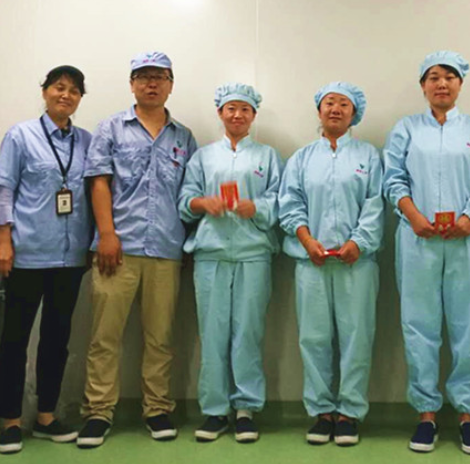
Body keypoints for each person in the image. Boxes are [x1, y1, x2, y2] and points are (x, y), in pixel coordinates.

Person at [383, 51, 470, 455]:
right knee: (419, 325)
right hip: (417, 240)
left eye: (450, 76)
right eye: (434, 77)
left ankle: (468, 414)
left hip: (467, 241)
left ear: (460, 84)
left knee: (469, 325)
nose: (441, 83)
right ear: (423, 85)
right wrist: (413, 215)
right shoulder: (407, 129)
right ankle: (426, 415)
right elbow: (393, 178)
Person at [77, 52, 197, 448]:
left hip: (166, 249)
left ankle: (157, 409)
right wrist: (107, 234)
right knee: (105, 336)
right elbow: (98, 182)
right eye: (143, 77)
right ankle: (98, 412)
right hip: (118, 248)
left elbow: (189, 193)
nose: (151, 83)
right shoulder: (111, 128)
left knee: (160, 337)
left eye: (159, 77)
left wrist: (187, 245)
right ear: (132, 84)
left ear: (170, 84)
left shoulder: (183, 137)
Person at [278, 82, 383, 447]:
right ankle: (322, 412)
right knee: (314, 338)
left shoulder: (369, 156)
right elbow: (290, 204)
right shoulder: (302, 159)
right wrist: (307, 241)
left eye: (343, 104)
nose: (335, 109)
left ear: (355, 114)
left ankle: (350, 412)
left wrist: (359, 242)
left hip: (358, 263)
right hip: (312, 263)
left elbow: (375, 204)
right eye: (329, 103)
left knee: (357, 337)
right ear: (319, 110)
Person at [178, 83, 281, 444]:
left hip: (253, 253)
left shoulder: (267, 156)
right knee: (213, 333)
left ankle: (246, 410)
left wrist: (258, 207)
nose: (237, 115)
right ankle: (215, 410)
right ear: (220, 113)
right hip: (212, 254)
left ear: (254, 115)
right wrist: (203, 204)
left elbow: (280, 200)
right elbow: (185, 199)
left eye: (245, 109)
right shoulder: (203, 157)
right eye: (231, 109)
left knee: (248, 332)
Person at [0, 66, 92, 455]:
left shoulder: (86, 141)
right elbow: (4, 188)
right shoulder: (20, 136)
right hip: (27, 254)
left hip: (70, 258)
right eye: (59, 87)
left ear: (80, 99)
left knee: (57, 340)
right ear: (45, 92)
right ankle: (9, 421)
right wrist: (3, 240)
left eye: (74, 90)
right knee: (14, 339)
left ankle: (46, 417)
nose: (65, 95)